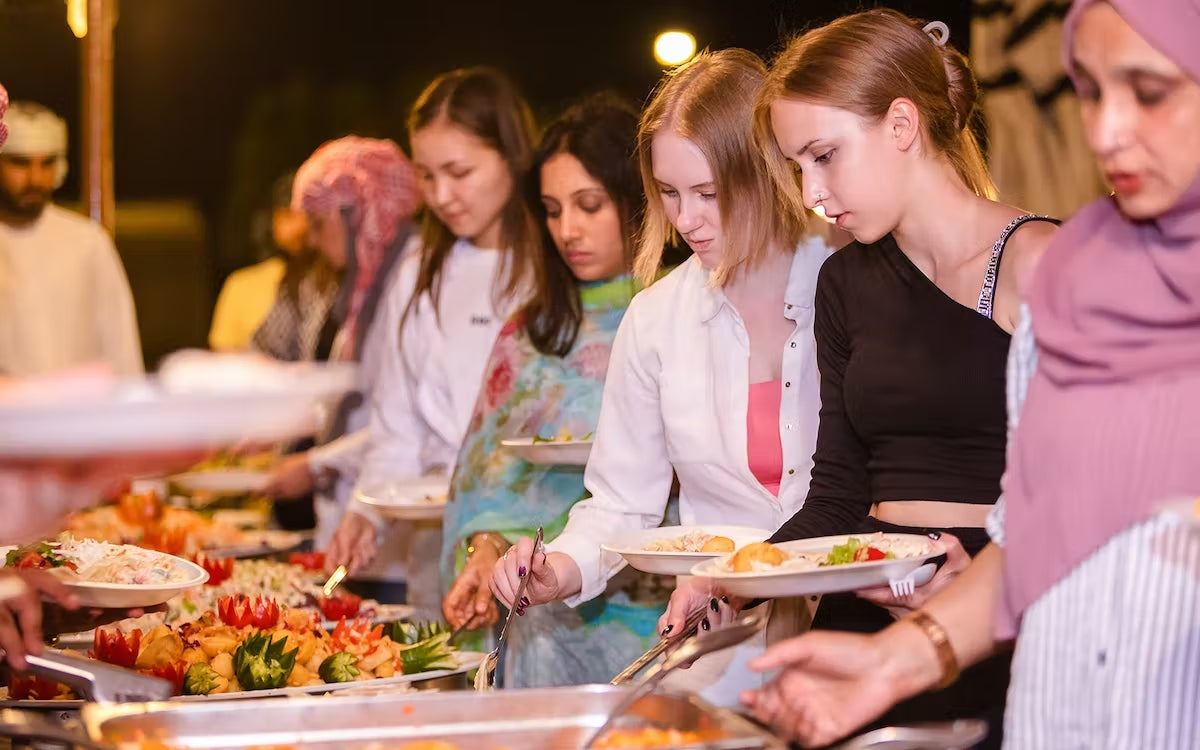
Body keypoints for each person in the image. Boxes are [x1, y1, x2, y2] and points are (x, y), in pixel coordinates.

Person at [740, 1, 1200, 747]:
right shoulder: (1088, 278)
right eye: (1089, 93)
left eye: (1147, 92)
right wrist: (890, 662)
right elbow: (1041, 529)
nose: (1105, 131)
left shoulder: (1046, 266)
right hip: (1050, 712)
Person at [657, 11, 1057, 743]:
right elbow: (839, 492)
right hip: (867, 611)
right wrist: (736, 575)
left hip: (1006, 614)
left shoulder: (1043, 265)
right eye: (797, 166)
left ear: (901, 124)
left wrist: (981, 580)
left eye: (824, 156)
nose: (811, 192)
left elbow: (1077, 497)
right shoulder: (844, 282)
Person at [490, 49, 839, 703]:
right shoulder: (656, 319)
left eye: (708, 193)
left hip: (858, 624)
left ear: (769, 171)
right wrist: (556, 570)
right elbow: (622, 503)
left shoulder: (847, 274)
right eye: (669, 194)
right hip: (729, 642)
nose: (685, 219)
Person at [440, 93, 670, 687]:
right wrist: (484, 554)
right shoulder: (531, 333)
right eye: (551, 209)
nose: (568, 230)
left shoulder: (683, 312)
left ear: (640, 197)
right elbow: (483, 480)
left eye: (589, 205)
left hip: (674, 611)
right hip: (544, 610)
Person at [325, 67, 541, 620]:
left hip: (540, 546)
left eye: (460, 171)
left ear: (513, 156)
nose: (442, 194)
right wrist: (366, 511)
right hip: (440, 544)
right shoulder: (421, 271)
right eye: (426, 174)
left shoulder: (553, 265)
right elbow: (397, 422)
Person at [261, 137, 422, 596]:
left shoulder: (408, 280)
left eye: (318, 223)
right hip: (357, 534)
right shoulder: (369, 283)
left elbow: (406, 424)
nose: (311, 239)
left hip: (389, 547)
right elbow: (352, 400)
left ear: (361, 211)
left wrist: (313, 465)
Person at [0, 100, 142, 377]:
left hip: (77, 415)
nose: (35, 178)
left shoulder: (87, 243)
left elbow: (122, 348)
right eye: (20, 163)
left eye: (47, 163)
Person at [248, 170, 340, 362]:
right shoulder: (301, 277)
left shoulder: (385, 277)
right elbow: (265, 349)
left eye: (317, 223)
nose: (312, 238)